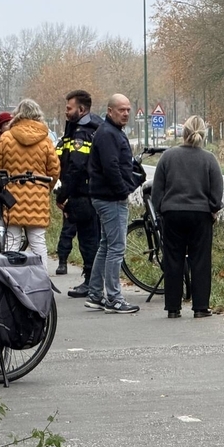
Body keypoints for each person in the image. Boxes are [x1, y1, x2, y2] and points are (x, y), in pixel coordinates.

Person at [151, 116, 223, 318]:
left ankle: (173, 308)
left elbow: (157, 190)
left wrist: (161, 210)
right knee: (200, 260)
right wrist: (213, 208)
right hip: (200, 215)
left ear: (183, 133)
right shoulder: (209, 159)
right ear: (203, 134)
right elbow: (217, 190)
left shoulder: (168, 156)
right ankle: (200, 307)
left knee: (173, 259)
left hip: (172, 214)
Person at [85, 94, 140, 314]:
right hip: (111, 198)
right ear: (110, 111)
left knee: (106, 245)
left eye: (128, 110)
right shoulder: (108, 133)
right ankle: (114, 298)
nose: (126, 113)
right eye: (121, 110)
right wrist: (123, 191)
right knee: (116, 247)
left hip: (103, 196)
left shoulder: (111, 131)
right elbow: (111, 166)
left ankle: (95, 294)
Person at [0, 99, 60, 269]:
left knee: (12, 241)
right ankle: (41, 279)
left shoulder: (7, 138)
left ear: (18, 114)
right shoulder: (45, 140)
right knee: (38, 241)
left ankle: (10, 279)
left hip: (11, 197)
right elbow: (54, 170)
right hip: (38, 197)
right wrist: (45, 188)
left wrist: (2, 188)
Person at [54, 90, 102, 288]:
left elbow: (76, 166)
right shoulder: (93, 127)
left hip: (83, 193)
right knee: (93, 238)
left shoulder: (81, 132)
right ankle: (94, 280)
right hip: (93, 192)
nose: (66, 112)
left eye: (69, 108)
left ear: (81, 110)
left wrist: (62, 194)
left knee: (88, 239)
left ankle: (91, 282)